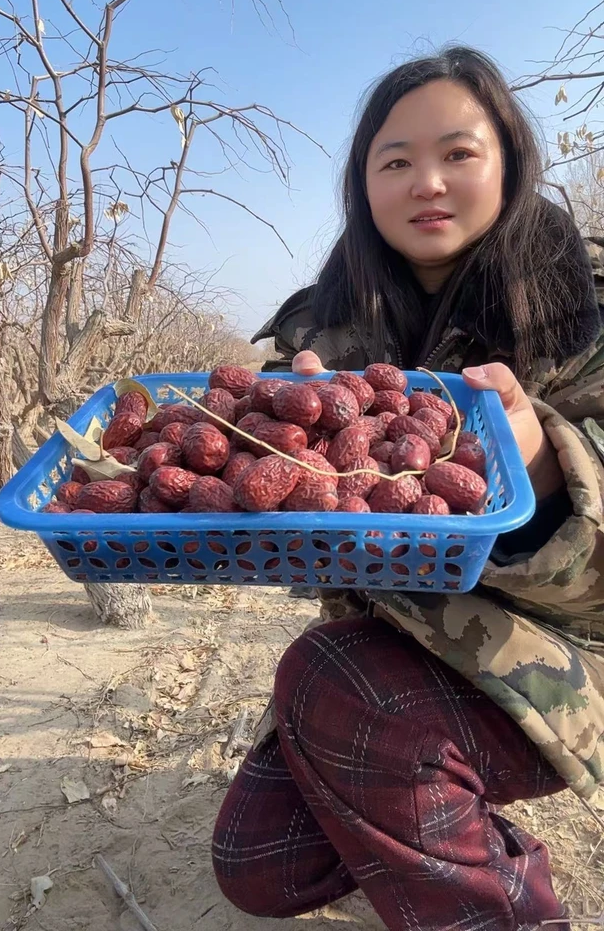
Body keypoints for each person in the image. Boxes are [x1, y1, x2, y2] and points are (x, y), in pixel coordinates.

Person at [211, 47, 604, 931]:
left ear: (509, 159)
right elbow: (271, 504)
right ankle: (454, 824)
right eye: (395, 162)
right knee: (259, 869)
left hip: (569, 648)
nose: (427, 181)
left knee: (335, 679)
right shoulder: (323, 326)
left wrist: (543, 468)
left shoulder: (586, 310)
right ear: (362, 186)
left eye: (459, 154)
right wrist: (285, 453)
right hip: (404, 648)